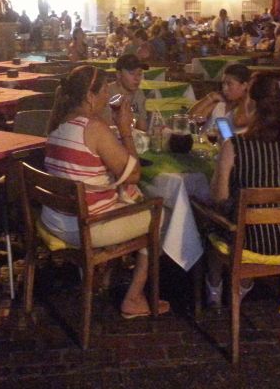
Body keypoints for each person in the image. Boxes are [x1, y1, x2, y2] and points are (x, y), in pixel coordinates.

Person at [43, 66, 169, 318]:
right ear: (91, 96)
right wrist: (124, 129)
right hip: (84, 227)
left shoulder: (57, 124)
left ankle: (106, 273)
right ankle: (133, 297)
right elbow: (133, 174)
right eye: (104, 91)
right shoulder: (94, 128)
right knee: (159, 212)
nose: (107, 95)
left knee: (127, 199)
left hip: (53, 219)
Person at [204, 73, 280, 306]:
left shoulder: (235, 146)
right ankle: (244, 284)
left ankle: (214, 285)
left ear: (252, 104)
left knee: (210, 219)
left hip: (249, 241)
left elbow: (219, 197)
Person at [188, 63, 252, 132]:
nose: (224, 88)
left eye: (229, 84)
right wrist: (210, 97)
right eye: (223, 83)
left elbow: (238, 121)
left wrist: (245, 98)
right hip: (210, 141)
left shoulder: (251, 106)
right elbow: (191, 118)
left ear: (244, 85)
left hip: (226, 141)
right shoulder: (219, 102)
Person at [102, 54, 148, 132]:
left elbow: (142, 129)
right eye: (132, 73)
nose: (137, 79)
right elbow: (106, 129)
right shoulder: (106, 94)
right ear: (119, 75)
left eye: (139, 74)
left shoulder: (139, 93)